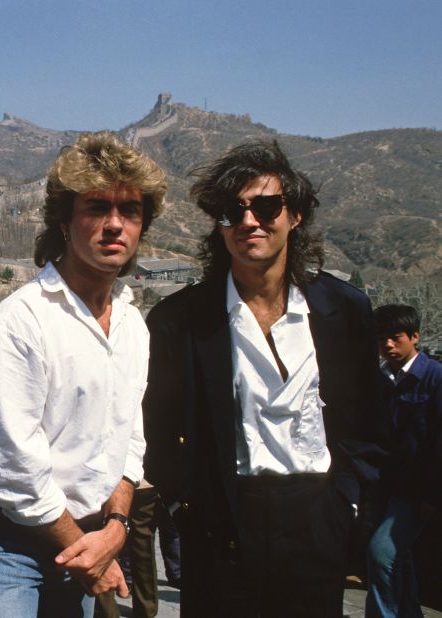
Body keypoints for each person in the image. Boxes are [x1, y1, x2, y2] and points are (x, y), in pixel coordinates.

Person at [143, 140, 382, 616]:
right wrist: (185, 511)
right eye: (234, 211)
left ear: (295, 214)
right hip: (224, 521)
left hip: (318, 516)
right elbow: (159, 427)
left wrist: (348, 503)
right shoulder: (182, 320)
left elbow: (365, 420)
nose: (250, 221)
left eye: (267, 206)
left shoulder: (343, 310)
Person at [0, 131, 167, 616]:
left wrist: (115, 527)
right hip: (9, 544)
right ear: (65, 221)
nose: (115, 225)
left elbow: (128, 437)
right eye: (97, 207)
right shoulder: (19, 324)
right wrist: (89, 553)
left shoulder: (133, 325)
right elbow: (14, 469)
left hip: (93, 530)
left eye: (130, 211)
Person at [366, 304, 442, 617]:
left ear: (415, 337)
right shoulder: (382, 380)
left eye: (395, 337)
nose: (387, 345)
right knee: (400, 560)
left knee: (381, 554)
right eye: (382, 338)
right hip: (386, 487)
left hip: (417, 492)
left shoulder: (435, 379)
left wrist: (433, 496)